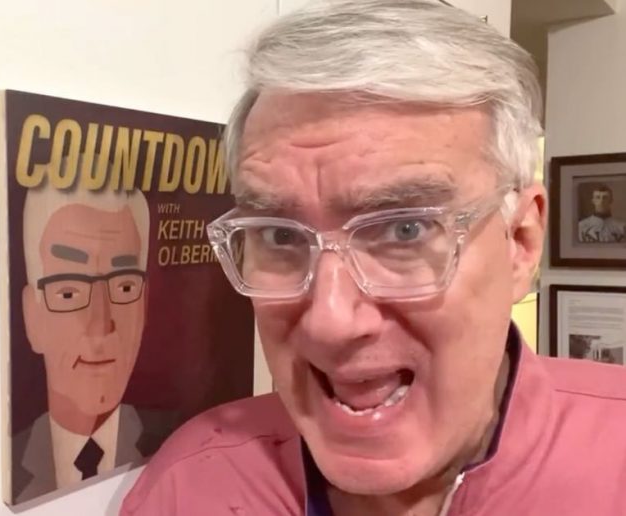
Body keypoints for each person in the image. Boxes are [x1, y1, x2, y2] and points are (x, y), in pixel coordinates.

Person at [120, 1, 626, 515]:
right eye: (280, 235)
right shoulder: (192, 488)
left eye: (405, 230)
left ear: (520, 242)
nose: (330, 323)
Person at [12, 180, 151, 503]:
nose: (100, 325)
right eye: (68, 292)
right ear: (33, 318)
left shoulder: (178, 440)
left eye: (125, 287)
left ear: (144, 307)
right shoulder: (3, 466)